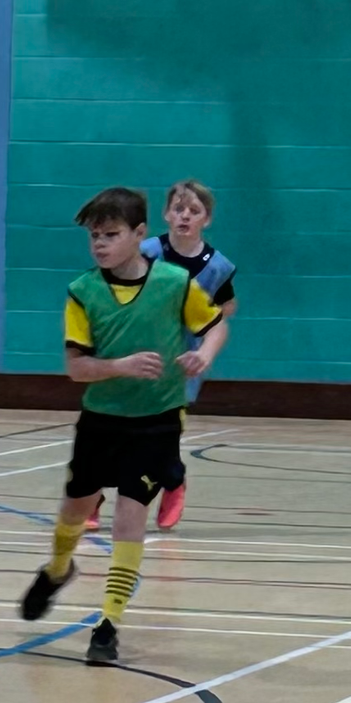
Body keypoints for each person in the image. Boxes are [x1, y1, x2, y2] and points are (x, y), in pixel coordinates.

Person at [18, 187, 229, 666]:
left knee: (129, 518)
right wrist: (121, 366)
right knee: (74, 508)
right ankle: (56, 570)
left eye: (110, 234)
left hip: (156, 422)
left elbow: (216, 325)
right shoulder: (83, 291)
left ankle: (108, 622)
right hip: (101, 419)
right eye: (94, 236)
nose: (100, 244)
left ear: (139, 234)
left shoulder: (175, 283)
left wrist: (204, 353)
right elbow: (76, 368)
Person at [134, 179, 237, 530]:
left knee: (162, 435)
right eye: (179, 209)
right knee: (115, 433)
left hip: (183, 361)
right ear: (166, 214)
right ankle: (91, 496)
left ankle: (173, 482)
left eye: (194, 211)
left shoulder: (218, 266)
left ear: (206, 220)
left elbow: (226, 310)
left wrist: (203, 340)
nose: (185, 216)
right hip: (137, 353)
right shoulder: (146, 252)